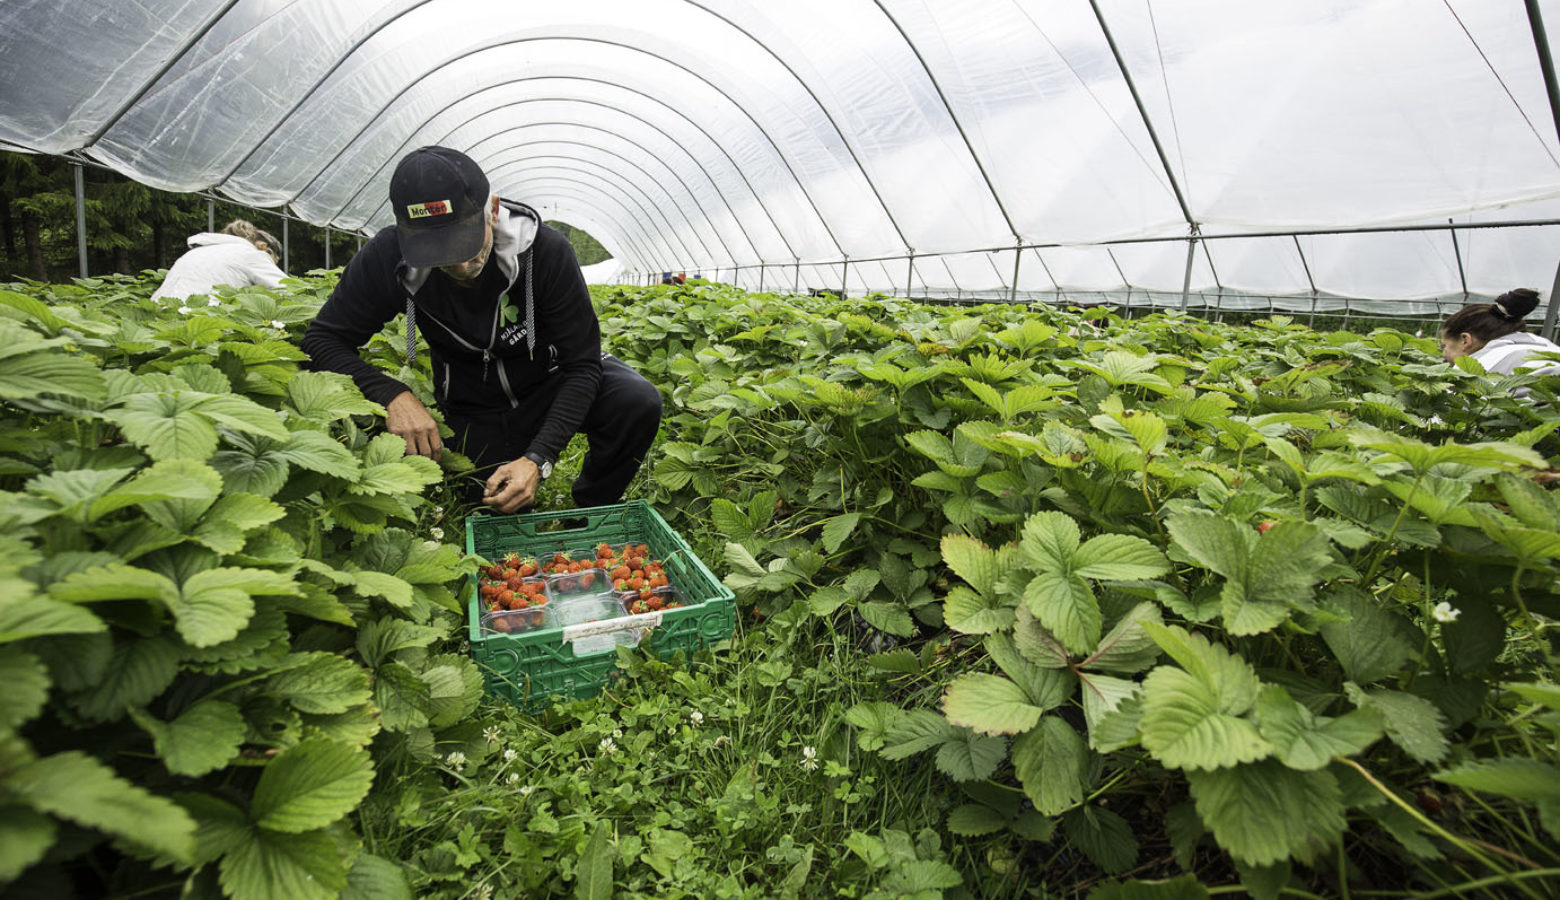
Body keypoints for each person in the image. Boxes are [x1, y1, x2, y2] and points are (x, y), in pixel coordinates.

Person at [300, 146, 662, 514]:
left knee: (635, 400)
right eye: (436, 250)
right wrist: (392, 394)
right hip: (471, 403)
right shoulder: (388, 257)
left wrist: (538, 457)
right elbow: (321, 341)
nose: (459, 264)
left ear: (492, 209)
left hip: (545, 382)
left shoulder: (545, 252)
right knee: (495, 508)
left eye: (464, 241)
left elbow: (583, 366)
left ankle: (591, 511)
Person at [152, 219, 287, 302]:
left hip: (158, 313)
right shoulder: (250, 254)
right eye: (272, 261)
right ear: (262, 246)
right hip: (200, 317)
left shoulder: (195, 252)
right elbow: (288, 290)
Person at [1438, 288, 1560, 375]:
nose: (1443, 356)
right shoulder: (1546, 345)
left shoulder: (1475, 368)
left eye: (1444, 346)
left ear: (1465, 340)